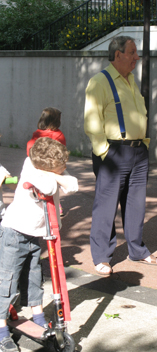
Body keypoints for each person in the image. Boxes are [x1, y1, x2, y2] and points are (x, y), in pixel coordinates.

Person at [84, 36, 157, 277]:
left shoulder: (130, 81)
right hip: (114, 151)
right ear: (118, 55)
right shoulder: (99, 82)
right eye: (132, 53)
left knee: (136, 204)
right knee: (106, 206)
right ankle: (101, 256)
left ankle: (137, 249)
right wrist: (104, 152)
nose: (137, 57)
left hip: (139, 150)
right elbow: (91, 120)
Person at [0, 137, 78, 352]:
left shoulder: (42, 167)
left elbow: (73, 185)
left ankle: (38, 316)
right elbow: (49, 186)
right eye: (61, 167)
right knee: (7, 280)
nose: (64, 170)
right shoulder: (30, 168)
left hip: (36, 234)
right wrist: (56, 175)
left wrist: (55, 173)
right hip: (14, 232)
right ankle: (1, 329)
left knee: (34, 275)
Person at [27, 107, 66, 216]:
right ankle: (56, 206)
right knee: (54, 188)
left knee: (38, 186)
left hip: (38, 165)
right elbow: (62, 151)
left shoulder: (37, 133)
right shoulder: (59, 135)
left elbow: (30, 149)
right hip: (53, 167)